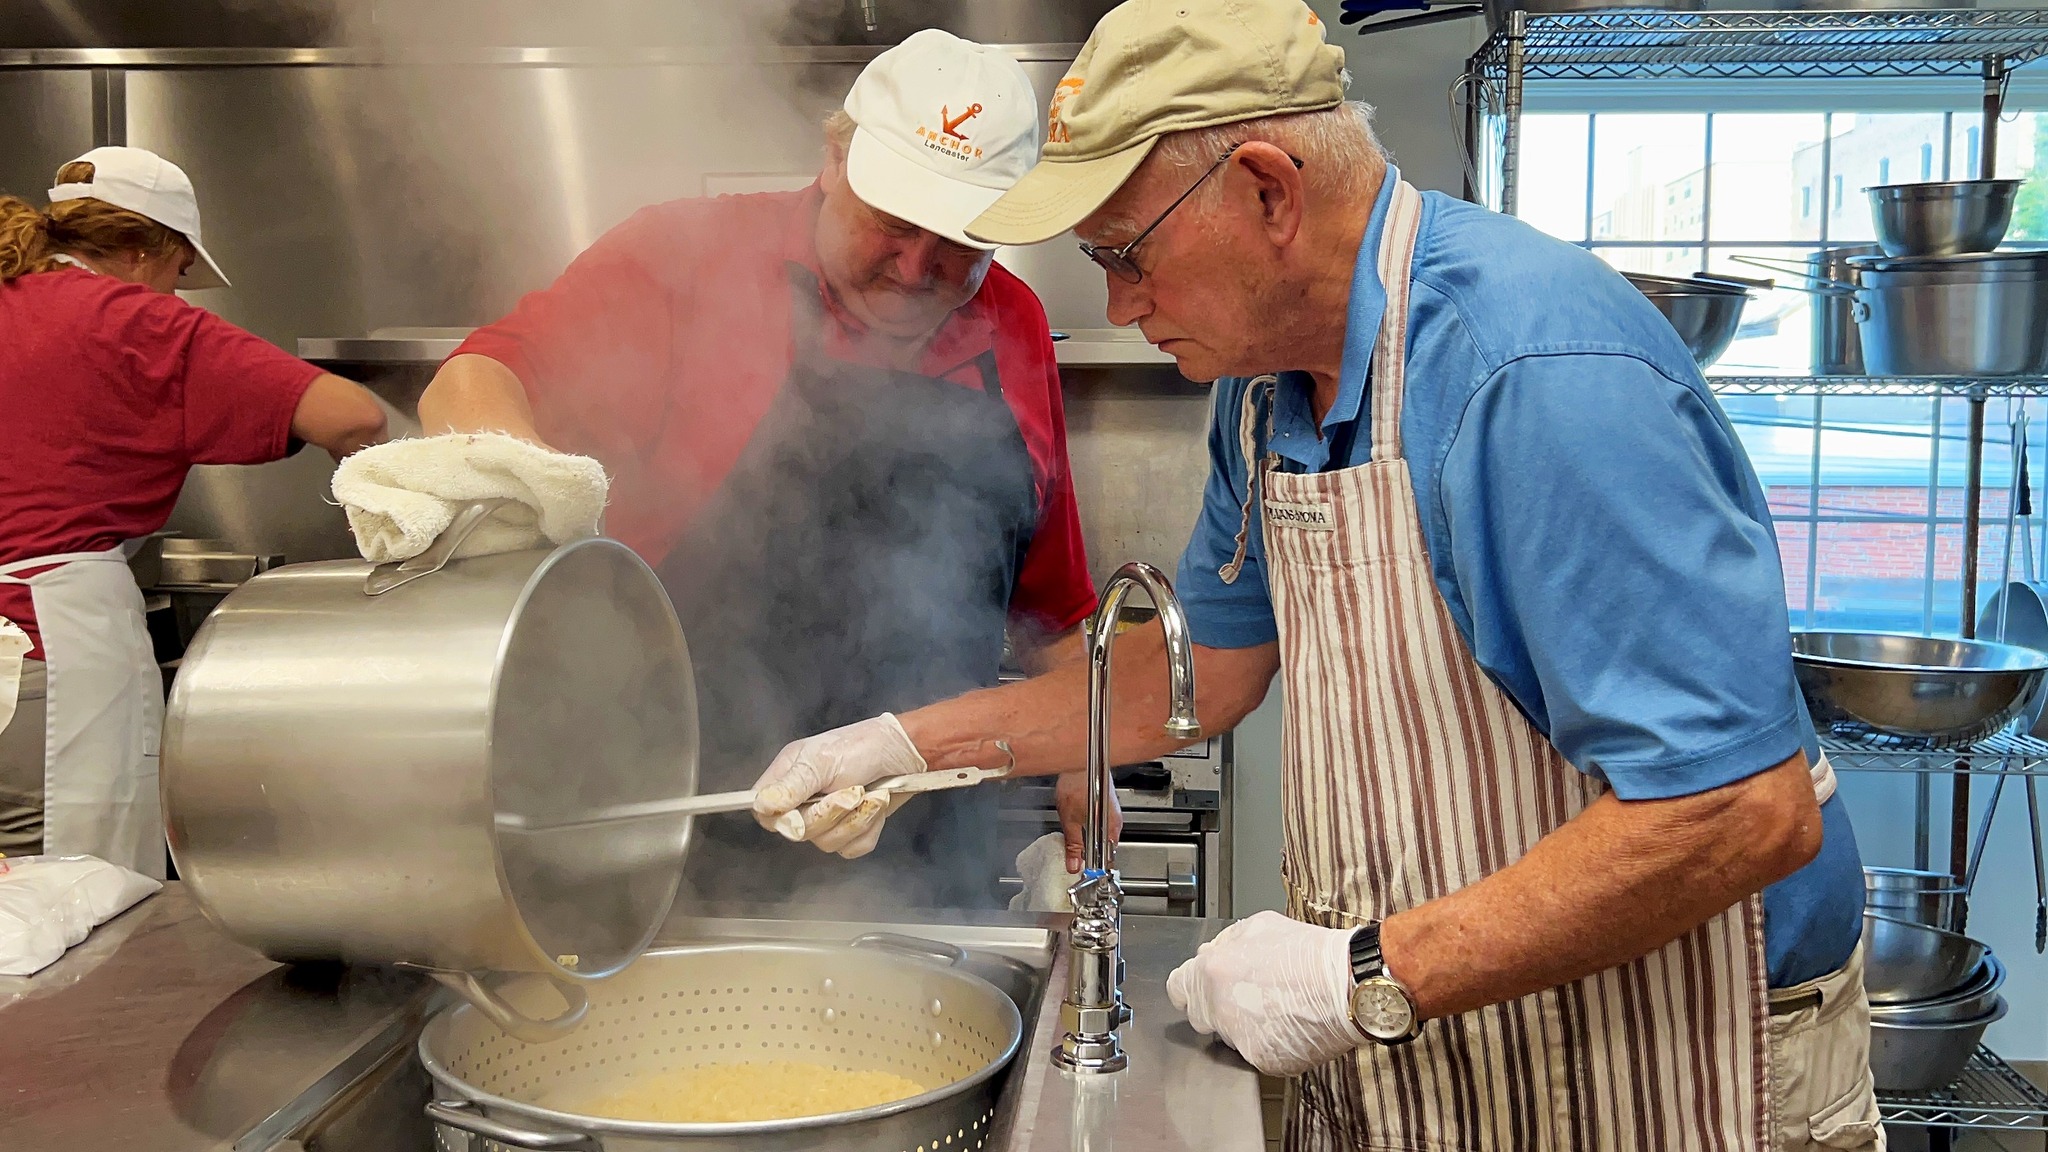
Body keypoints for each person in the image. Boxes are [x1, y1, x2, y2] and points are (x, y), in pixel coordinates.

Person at [748, 1, 1879, 1149]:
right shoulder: (1261, 388)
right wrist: (900, 746)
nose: (1116, 305)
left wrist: (1363, 974)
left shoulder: (1529, 374)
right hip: (1455, 1015)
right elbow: (1185, 684)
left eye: (1122, 253)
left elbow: (1737, 809)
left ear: (1266, 192)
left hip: (1673, 1035)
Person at [409, 29, 1097, 911]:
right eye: (893, 221)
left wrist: (1088, 747)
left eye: (961, 243)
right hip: (674, 843)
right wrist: (535, 490)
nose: (917, 268)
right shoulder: (683, 260)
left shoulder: (1016, 327)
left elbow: (1055, 607)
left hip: (917, 854)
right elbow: (473, 383)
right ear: (834, 155)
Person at [0, 147, 388, 878]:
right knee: (76, 911)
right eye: (180, 274)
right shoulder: (136, 325)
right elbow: (353, 415)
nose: (178, 298)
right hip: (50, 653)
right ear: (146, 248)